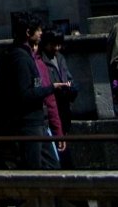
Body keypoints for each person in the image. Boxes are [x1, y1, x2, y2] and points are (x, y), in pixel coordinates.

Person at [0, 15, 56, 169]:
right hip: (27, 125)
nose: (41, 33)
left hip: (35, 123)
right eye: (38, 30)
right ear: (28, 32)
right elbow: (24, 94)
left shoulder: (22, 55)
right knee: (34, 171)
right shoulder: (20, 58)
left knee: (52, 168)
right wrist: (52, 88)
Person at [38, 30, 78, 166]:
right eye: (53, 45)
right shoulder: (41, 60)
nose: (56, 48)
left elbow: (69, 77)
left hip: (64, 110)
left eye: (58, 45)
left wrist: (71, 87)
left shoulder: (60, 58)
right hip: (52, 112)